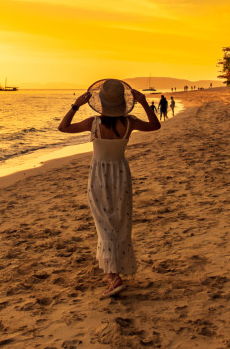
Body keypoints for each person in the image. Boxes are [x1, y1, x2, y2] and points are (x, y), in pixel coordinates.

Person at [58, 79, 161, 298]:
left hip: (99, 175)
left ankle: (114, 277)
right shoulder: (130, 122)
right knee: (119, 221)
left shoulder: (94, 122)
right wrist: (143, 103)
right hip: (121, 174)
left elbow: (63, 127)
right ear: (123, 103)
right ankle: (112, 270)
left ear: (101, 102)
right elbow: (155, 125)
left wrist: (75, 106)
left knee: (104, 223)